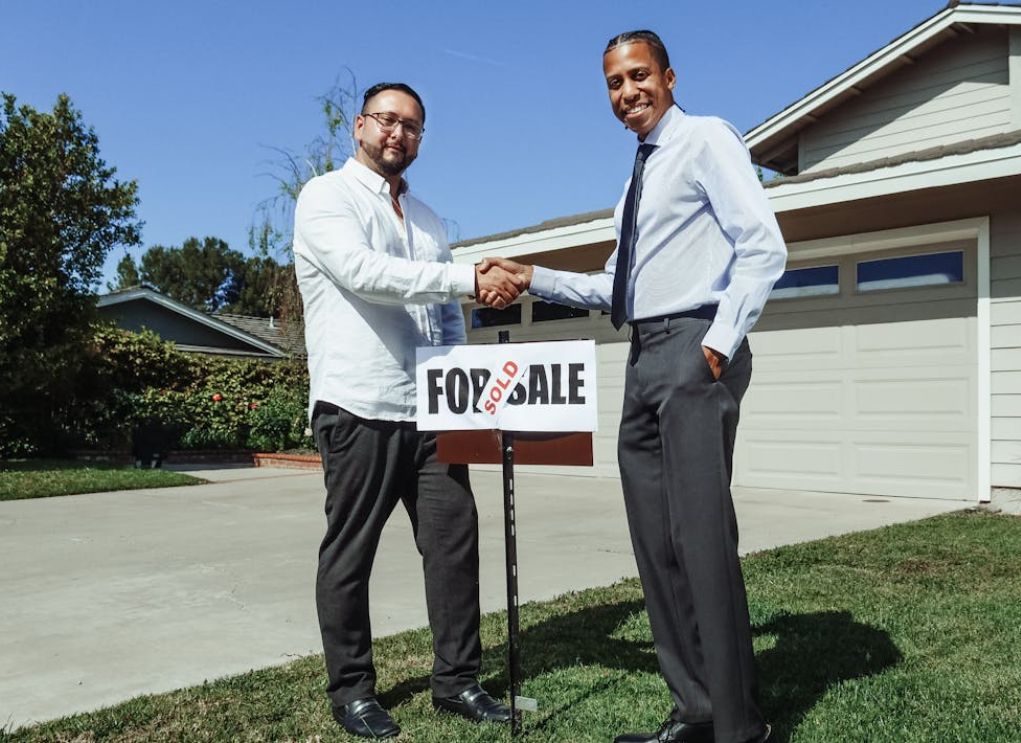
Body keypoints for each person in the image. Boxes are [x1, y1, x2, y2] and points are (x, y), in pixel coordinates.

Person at [480, 30, 784, 743]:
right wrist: (535, 277)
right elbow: (614, 283)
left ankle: (741, 729)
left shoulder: (706, 140)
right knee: (656, 541)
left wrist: (716, 344)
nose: (626, 93)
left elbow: (763, 246)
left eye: (638, 76)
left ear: (669, 77)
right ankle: (695, 709)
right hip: (642, 354)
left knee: (701, 538)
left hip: (690, 348)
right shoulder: (635, 180)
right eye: (614, 83)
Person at [293, 81, 524, 739]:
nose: (399, 133)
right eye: (388, 120)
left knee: (454, 543)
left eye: (413, 126)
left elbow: (442, 313)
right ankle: (353, 690)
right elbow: (366, 274)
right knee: (351, 551)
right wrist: (466, 276)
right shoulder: (324, 198)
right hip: (357, 403)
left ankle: (456, 681)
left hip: (431, 409)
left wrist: (463, 388)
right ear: (359, 126)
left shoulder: (426, 218)